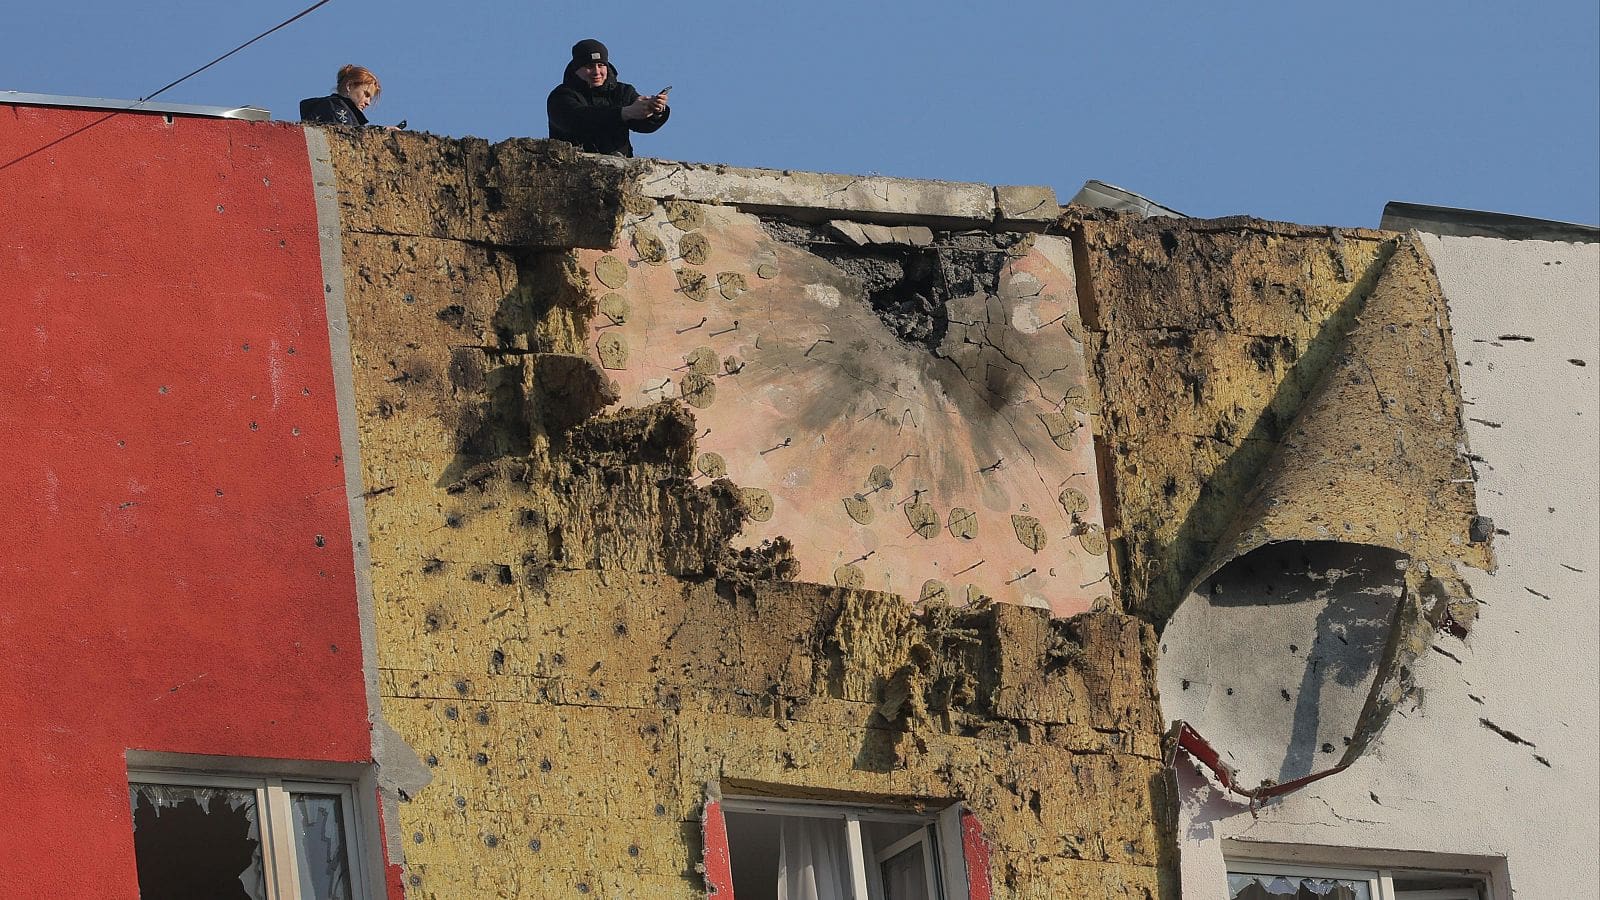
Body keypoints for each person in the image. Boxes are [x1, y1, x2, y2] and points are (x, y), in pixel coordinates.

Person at [547, 39, 669, 157]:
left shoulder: (623, 91)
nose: (596, 72)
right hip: (574, 170)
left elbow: (642, 125)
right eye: (589, 66)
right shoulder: (560, 96)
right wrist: (623, 113)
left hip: (619, 167)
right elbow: (578, 120)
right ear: (576, 69)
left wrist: (655, 111)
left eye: (601, 65)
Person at [300, 65, 383, 127]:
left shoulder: (338, 109)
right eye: (366, 94)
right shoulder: (334, 109)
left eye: (370, 99)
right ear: (349, 86)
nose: (368, 103)